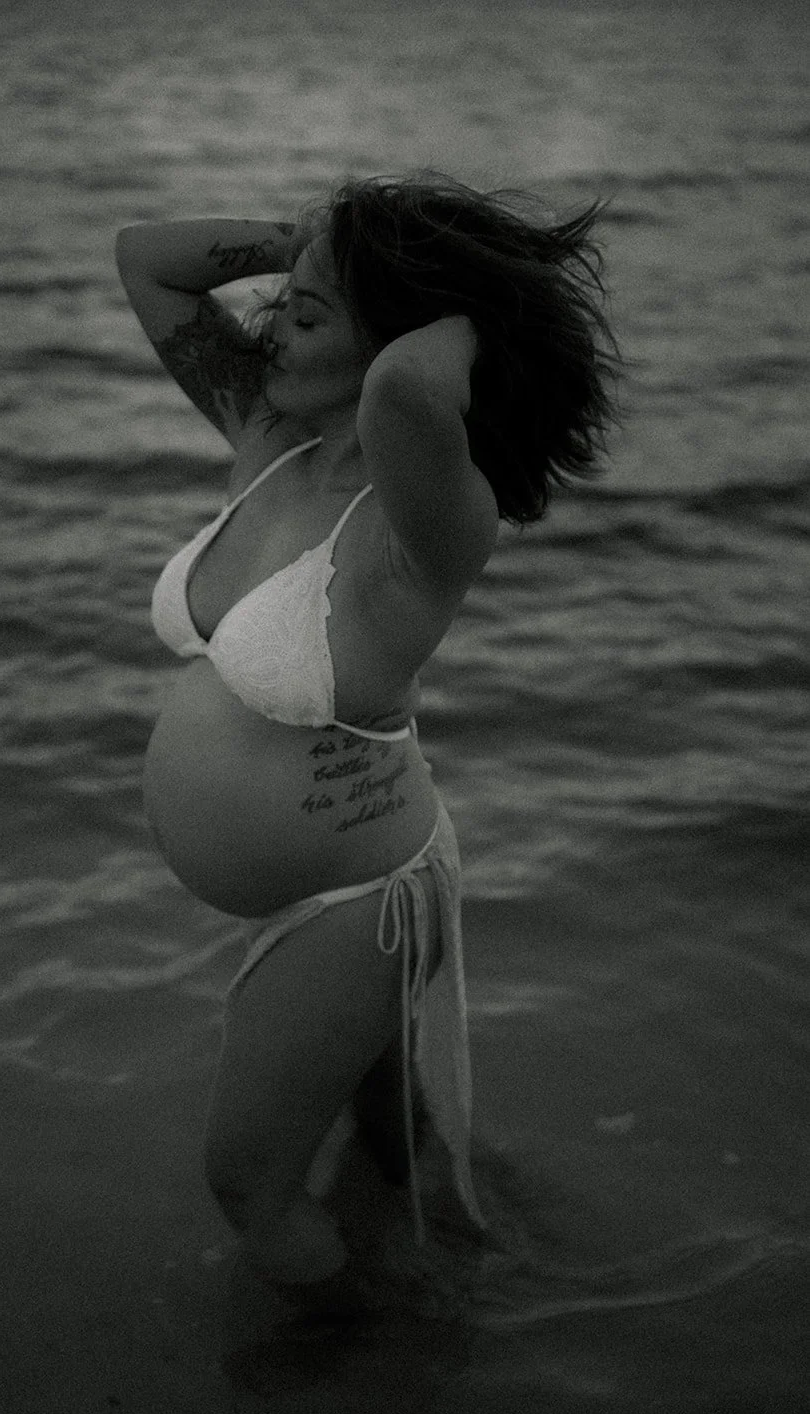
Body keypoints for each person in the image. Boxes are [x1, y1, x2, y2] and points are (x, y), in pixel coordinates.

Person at [115, 172, 621, 1301]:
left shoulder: (433, 519)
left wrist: (453, 302)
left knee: (248, 1182)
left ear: (397, 332)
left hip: (358, 907)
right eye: (275, 306)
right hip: (328, 881)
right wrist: (312, 244)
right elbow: (146, 255)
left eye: (304, 315)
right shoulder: (267, 438)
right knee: (389, 1143)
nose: (264, 330)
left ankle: (363, 1369)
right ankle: (452, 1282)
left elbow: (401, 391)